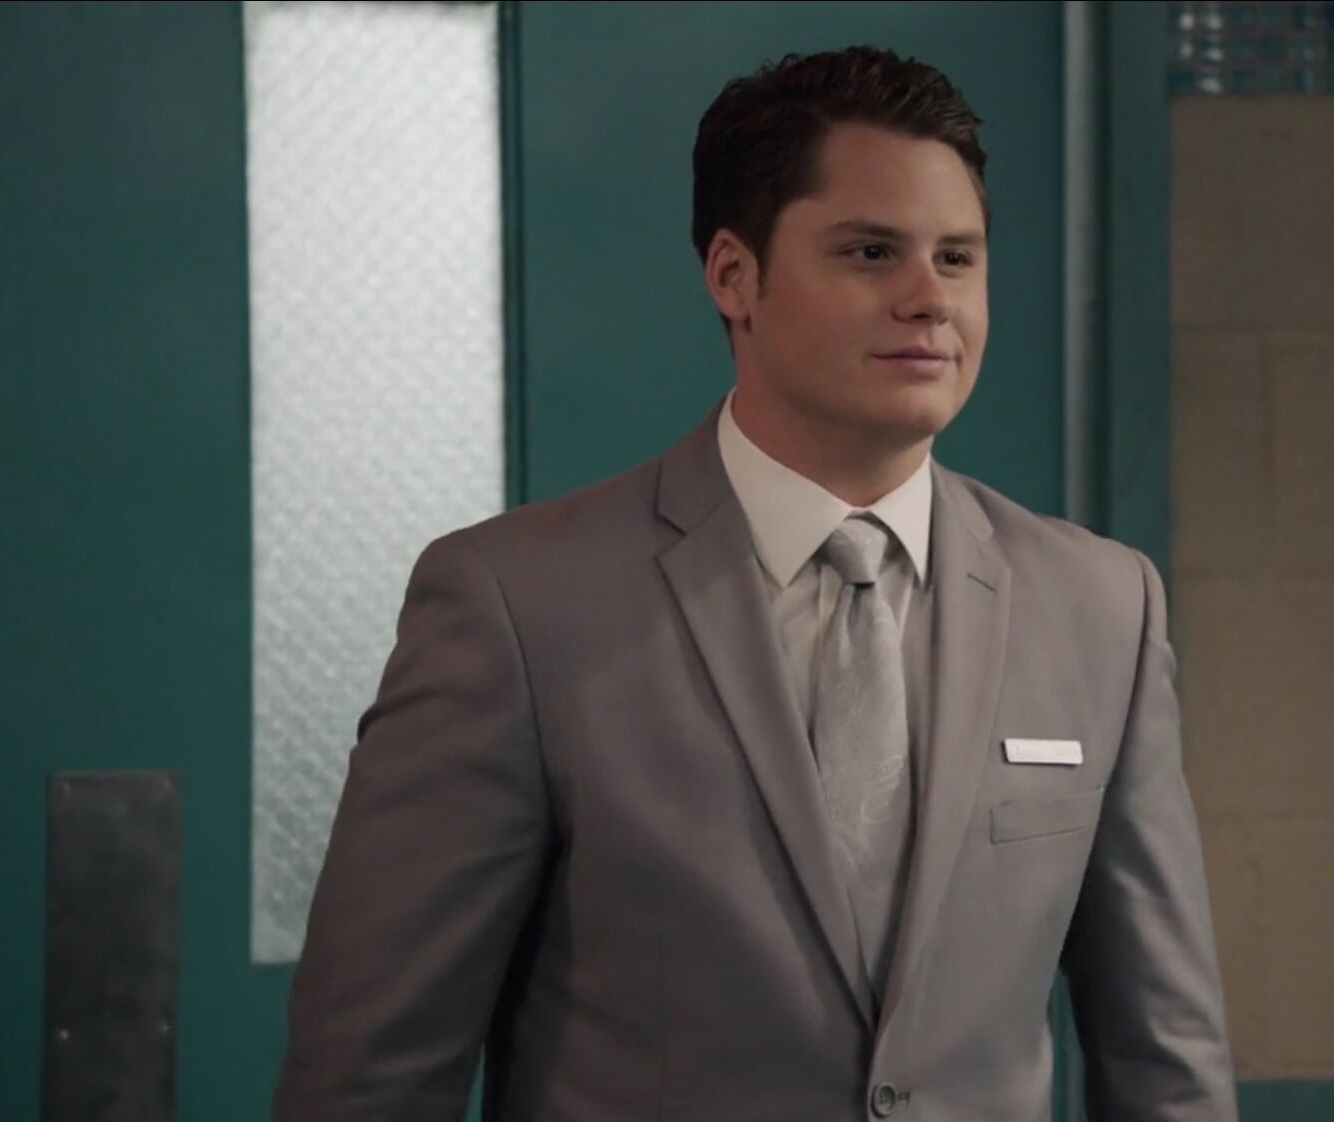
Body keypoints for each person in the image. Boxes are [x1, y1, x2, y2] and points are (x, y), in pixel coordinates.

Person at [273, 44, 1236, 1122]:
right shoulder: (516, 607)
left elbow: (1166, 1058)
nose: (928, 298)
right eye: (871, 252)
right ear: (734, 276)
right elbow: (373, 1073)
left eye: (957, 258)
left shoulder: (1100, 607)